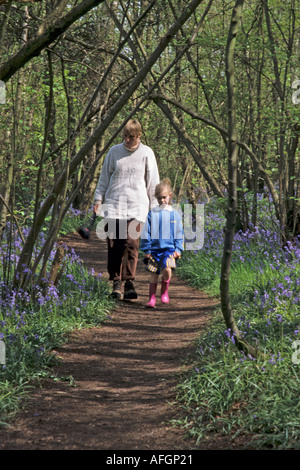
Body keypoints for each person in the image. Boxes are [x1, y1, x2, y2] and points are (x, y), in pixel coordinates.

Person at [93, 119, 159, 300]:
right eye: (125, 136)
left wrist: (155, 208)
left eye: (131, 137)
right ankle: (116, 282)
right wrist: (98, 199)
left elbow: (153, 182)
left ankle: (129, 281)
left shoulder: (147, 153)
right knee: (115, 244)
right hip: (114, 204)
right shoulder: (114, 151)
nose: (127, 140)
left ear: (139, 136)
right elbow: (104, 178)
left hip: (137, 205)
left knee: (131, 243)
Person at [140, 178, 184, 308]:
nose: (162, 201)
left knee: (167, 269)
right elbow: (146, 232)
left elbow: (179, 233)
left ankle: (164, 291)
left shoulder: (175, 214)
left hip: (169, 250)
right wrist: (146, 250)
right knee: (153, 274)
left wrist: (178, 249)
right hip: (154, 250)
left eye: (164, 197)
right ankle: (151, 299)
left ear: (170, 196)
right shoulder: (152, 214)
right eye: (159, 198)